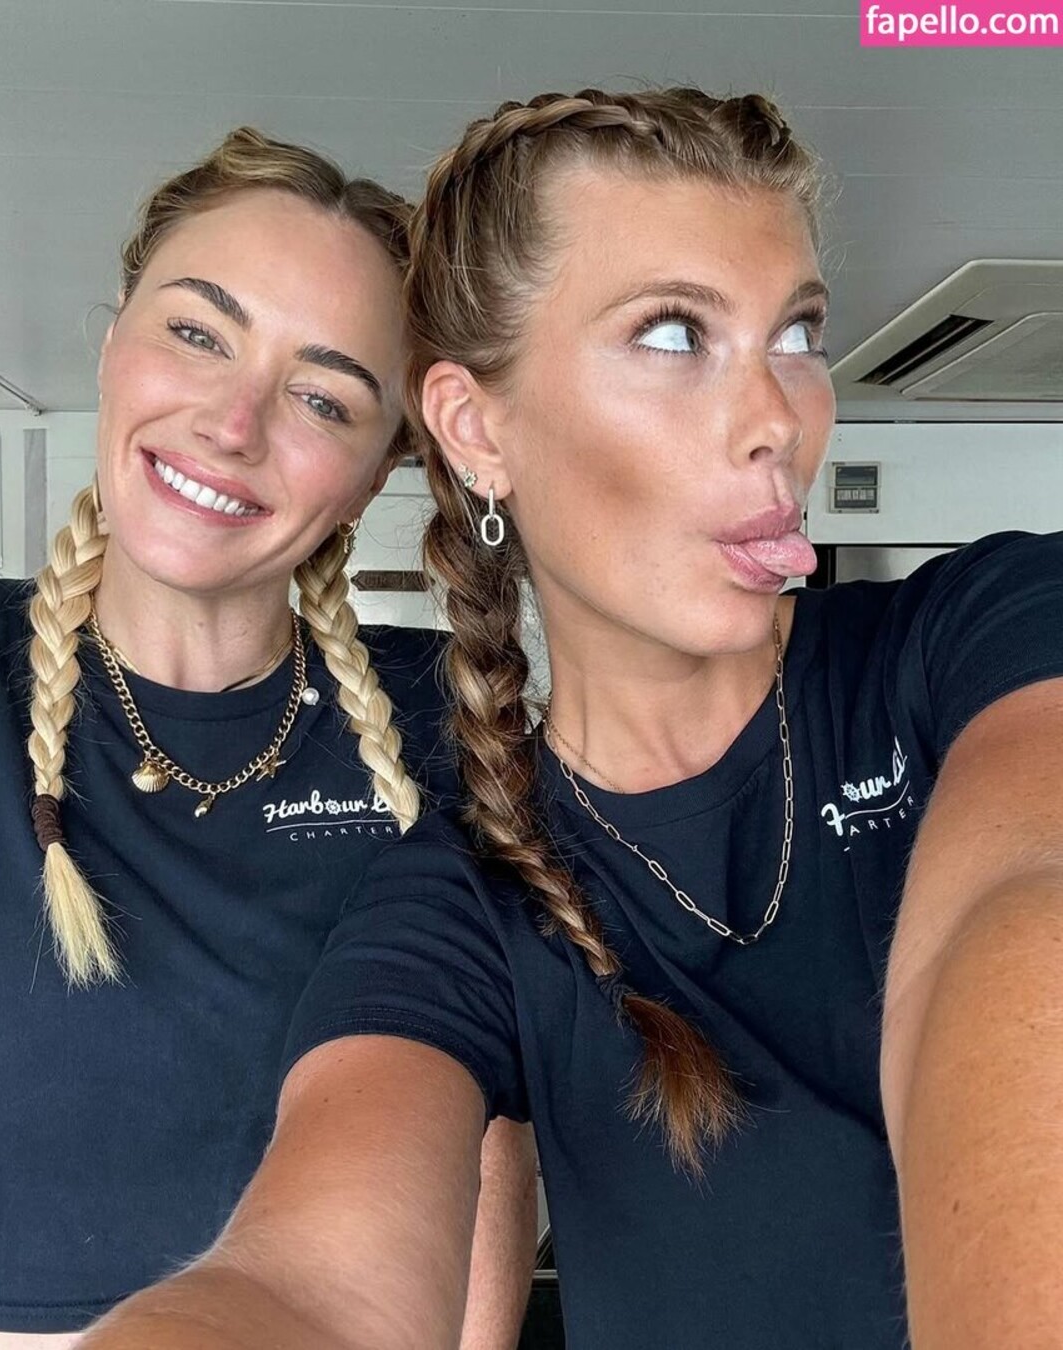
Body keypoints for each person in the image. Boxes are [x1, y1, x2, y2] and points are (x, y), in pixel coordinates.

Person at [80, 87, 1063, 1350]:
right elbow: (307, 1286)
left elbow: (1027, 898)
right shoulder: (461, 903)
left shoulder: (990, 630)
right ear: (475, 427)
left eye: (798, 333)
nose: (781, 419)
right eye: (673, 333)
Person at [0, 128, 535, 1349]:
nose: (233, 424)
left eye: (323, 397)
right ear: (114, 340)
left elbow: (488, 1144)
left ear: (382, 466)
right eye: (197, 333)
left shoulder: (445, 724)